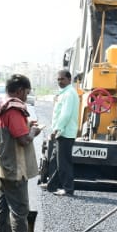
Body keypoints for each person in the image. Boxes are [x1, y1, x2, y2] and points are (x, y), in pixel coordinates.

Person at [0, 74, 44, 232]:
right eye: (26, 92)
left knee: (3, 206)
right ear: (21, 90)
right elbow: (23, 139)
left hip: (3, 164)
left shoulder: (1, 106)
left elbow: (14, 132)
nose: (25, 97)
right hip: (15, 166)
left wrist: (26, 127)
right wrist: (34, 131)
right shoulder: (15, 109)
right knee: (20, 209)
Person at [46, 68, 78, 196]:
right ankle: (52, 185)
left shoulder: (69, 93)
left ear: (69, 79)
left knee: (63, 162)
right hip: (62, 132)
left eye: (62, 79)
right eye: (58, 79)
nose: (60, 82)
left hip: (65, 133)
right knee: (55, 160)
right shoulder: (64, 93)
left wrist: (57, 129)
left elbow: (66, 114)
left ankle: (68, 188)